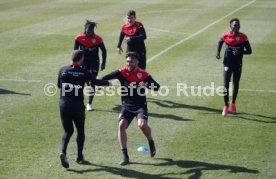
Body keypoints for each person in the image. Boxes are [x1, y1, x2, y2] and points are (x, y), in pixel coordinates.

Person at [101, 52, 160, 165]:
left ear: (137, 62)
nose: (129, 63)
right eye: (127, 61)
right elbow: (105, 77)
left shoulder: (144, 75)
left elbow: (157, 87)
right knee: (121, 125)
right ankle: (125, 156)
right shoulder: (121, 72)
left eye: (131, 61)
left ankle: (150, 141)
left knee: (142, 125)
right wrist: (99, 84)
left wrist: (146, 85)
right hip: (126, 105)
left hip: (140, 105)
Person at [57, 50, 110, 168]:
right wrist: (108, 83)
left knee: (68, 131)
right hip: (77, 106)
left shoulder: (62, 70)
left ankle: (63, 152)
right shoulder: (84, 72)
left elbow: (59, 86)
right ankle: (79, 156)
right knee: (80, 130)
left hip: (64, 105)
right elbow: (95, 82)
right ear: (81, 59)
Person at [216, 18, 252, 117]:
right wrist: (217, 53)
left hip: (238, 64)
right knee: (225, 85)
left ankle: (233, 103)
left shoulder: (243, 37)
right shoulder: (225, 35)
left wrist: (240, 52)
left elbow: (249, 51)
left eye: (238, 25)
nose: (237, 27)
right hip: (227, 63)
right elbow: (220, 42)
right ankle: (226, 105)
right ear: (230, 26)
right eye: (235, 25)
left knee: (236, 84)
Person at [74, 20, 107, 111]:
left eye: (90, 30)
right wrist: (74, 63)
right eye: (88, 30)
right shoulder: (79, 38)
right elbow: (75, 51)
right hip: (83, 62)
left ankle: (89, 103)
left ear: (93, 30)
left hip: (94, 62)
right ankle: (79, 101)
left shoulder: (97, 39)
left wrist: (104, 63)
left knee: (92, 80)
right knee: (83, 81)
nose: (89, 32)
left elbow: (104, 51)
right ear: (85, 28)